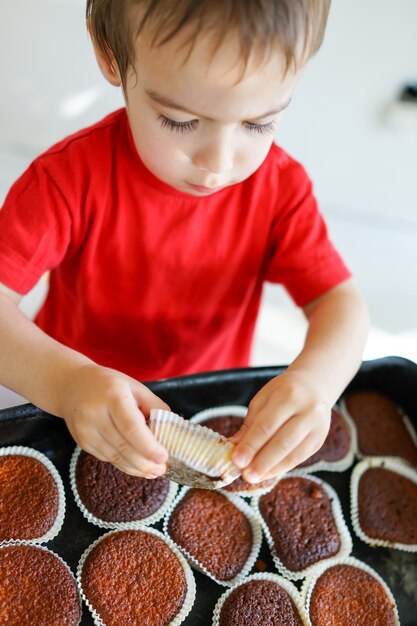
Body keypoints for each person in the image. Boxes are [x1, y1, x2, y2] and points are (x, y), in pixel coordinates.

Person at [0, 0, 369, 485]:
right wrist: (68, 384)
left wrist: (316, 384)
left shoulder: (281, 189)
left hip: (207, 404)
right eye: (179, 120)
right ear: (111, 53)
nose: (218, 162)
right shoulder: (65, 180)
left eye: (259, 123)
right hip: (73, 398)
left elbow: (340, 302)